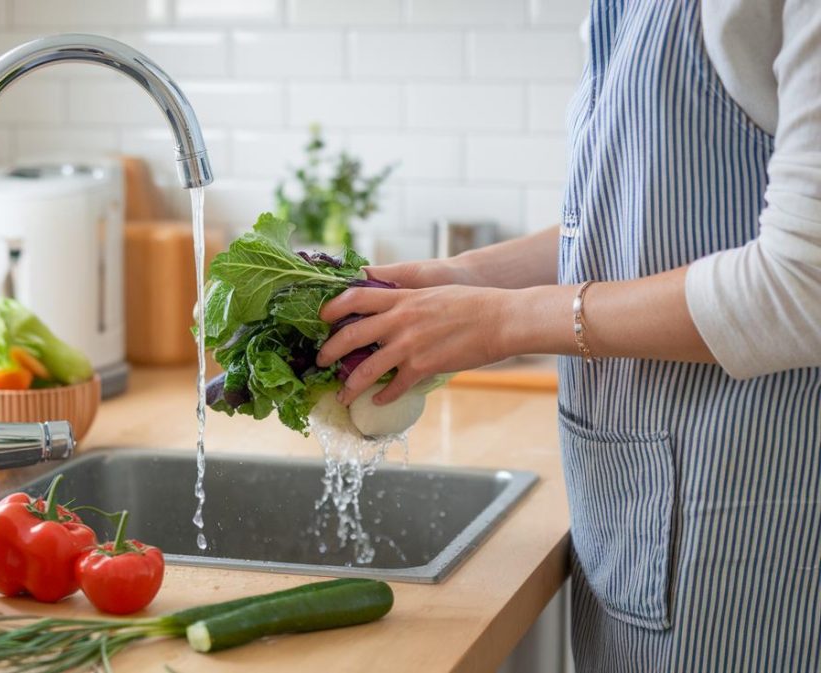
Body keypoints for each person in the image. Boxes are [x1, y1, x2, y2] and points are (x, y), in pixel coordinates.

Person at [317, 0, 821, 670]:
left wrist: (502, 321)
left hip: (753, 514)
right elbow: (625, 223)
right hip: (640, 514)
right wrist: (460, 278)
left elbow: (803, 282)